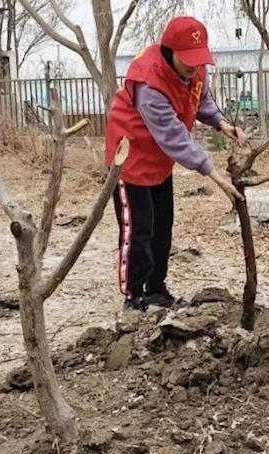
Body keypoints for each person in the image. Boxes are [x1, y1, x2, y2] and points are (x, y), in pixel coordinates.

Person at [105, 16, 245, 312]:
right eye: (188, 60)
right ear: (169, 52)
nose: (195, 66)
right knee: (138, 230)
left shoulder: (196, 68)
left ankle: (156, 290)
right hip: (130, 158)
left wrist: (221, 123)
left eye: (199, 60)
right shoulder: (150, 84)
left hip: (160, 160)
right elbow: (175, 137)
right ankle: (134, 296)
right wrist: (213, 174)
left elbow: (200, 99)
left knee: (162, 228)